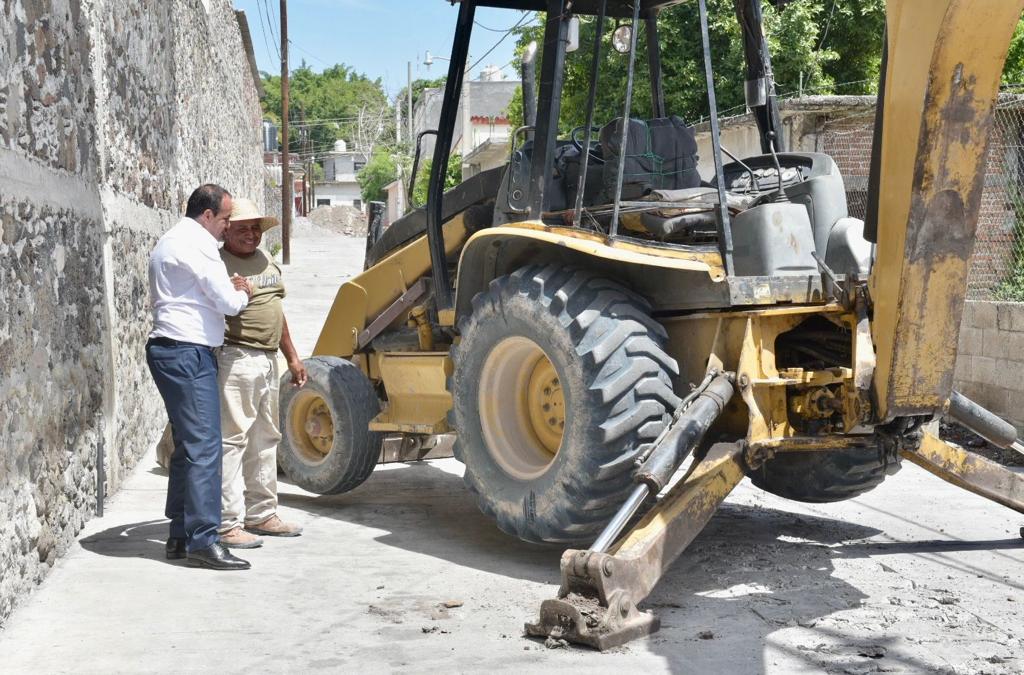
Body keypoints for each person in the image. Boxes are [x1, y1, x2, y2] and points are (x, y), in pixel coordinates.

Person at [146, 184, 253, 571]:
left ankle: (179, 533)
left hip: (171, 350)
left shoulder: (171, 240)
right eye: (225, 219)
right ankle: (204, 540)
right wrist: (245, 294)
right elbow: (226, 302)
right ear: (207, 215)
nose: (228, 227)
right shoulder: (199, 244)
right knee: (206, 447)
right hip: (188, 352)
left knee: (188, 447)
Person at [216, 198, 307, 548]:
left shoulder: (267, 260)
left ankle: (262, 514)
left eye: (255, 228)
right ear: (227, 231)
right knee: (231, 441)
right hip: (235, 358)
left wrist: (293, 357)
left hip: (268, 359)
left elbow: (277, 311)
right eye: (242, 229)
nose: (251, 235)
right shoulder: (217, 263)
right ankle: (226, 524)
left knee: (265, 438)